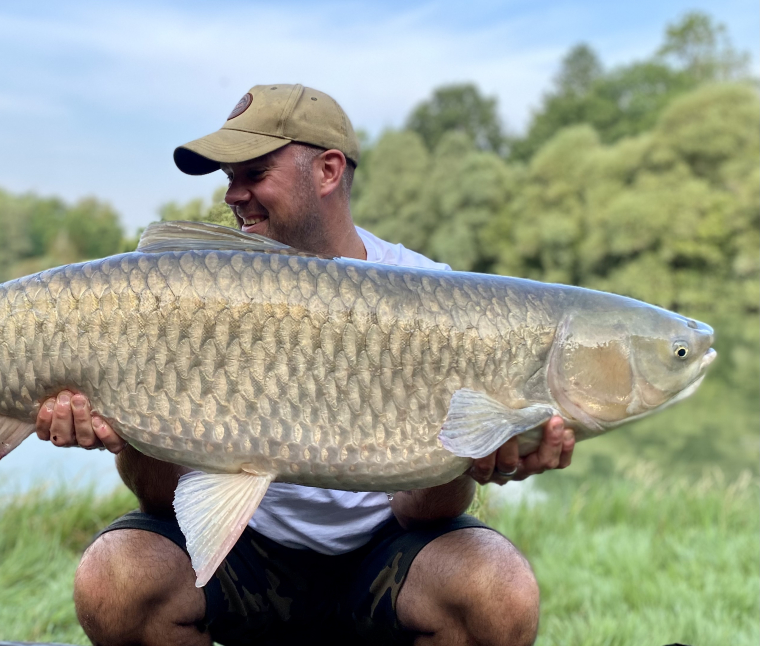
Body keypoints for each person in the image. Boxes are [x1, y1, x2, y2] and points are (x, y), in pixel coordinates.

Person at [34, 84, 575, 646]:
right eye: (229, 178)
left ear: (328, 171)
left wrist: (469, 460)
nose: (233, 195)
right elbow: (158, 499)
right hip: (245, 547)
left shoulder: (436, 298)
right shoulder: (186, 299)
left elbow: (421, 515)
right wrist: (130, 428)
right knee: (114, 580)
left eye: (254, 173)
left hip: (383, 551)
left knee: (500, 594)